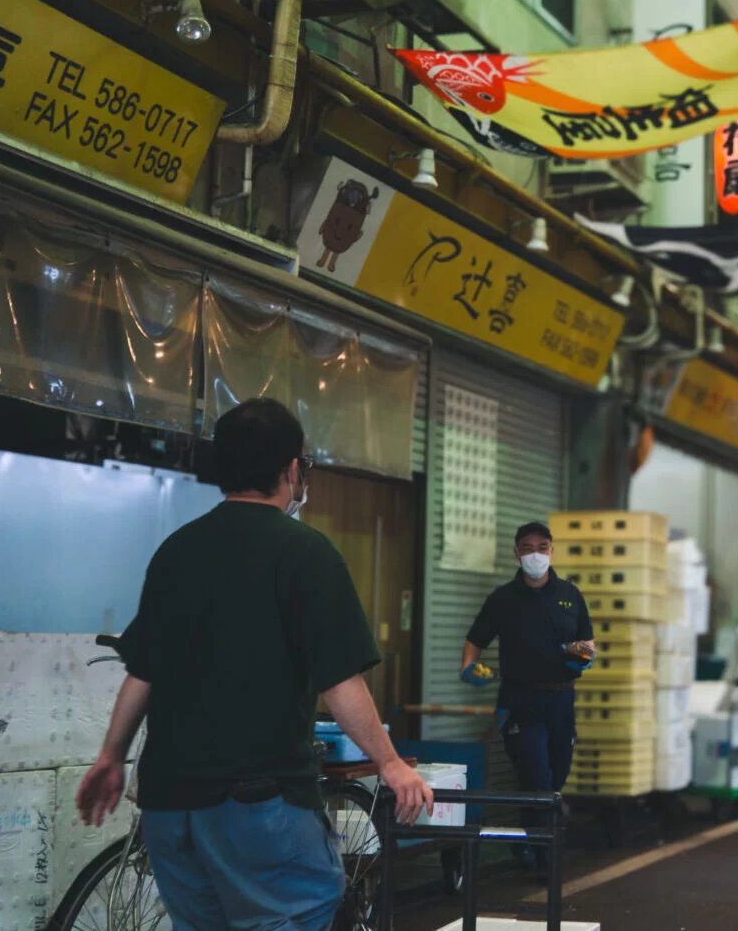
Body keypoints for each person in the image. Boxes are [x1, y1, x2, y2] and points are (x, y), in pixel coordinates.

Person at [75, 398, 431, 931]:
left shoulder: (177, 551)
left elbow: (141, 673)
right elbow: (339, 680)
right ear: (291, 470)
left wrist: (110, 756)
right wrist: (390, 762)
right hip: (258, 806)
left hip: (170, 808)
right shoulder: (306, 553)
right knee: (297, 913)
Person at [461, 522, 594, 865]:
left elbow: (586, 643)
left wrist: (581, 659)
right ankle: (543, 856)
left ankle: (526, 839)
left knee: (556, 775)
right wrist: (471, 667)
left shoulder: (570, 595)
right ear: (516, 553)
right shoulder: (503, 599)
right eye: (527, 547)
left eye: (542, 546)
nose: (535, 553)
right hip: (520, 701)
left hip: (562, 700)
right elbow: (475, 640)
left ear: (552, 550)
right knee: (538, 776)